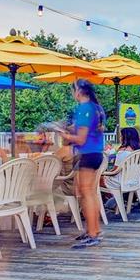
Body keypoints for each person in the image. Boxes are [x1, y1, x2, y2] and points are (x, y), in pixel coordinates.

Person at [60, 79, 106, 249]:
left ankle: (93, 233)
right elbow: (84, 129)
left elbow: (80, 138)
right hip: (96, 153)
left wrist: (65, 137)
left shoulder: (84, 108)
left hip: (87, 153)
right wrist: (68, 129)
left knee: (86, 194)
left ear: (78, 92)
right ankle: (94, 230)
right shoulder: (96, 108)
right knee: (90, 193)